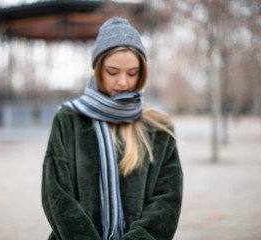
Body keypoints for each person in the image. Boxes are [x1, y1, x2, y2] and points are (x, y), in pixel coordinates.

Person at [41, 16, 183, 240]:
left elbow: (167, 200)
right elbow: (56, 194)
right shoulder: (68, 119)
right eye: (113, 72)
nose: (123, 82)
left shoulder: (158, 127)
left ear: (142, 72)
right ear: (98, 69)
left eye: (132, 73)